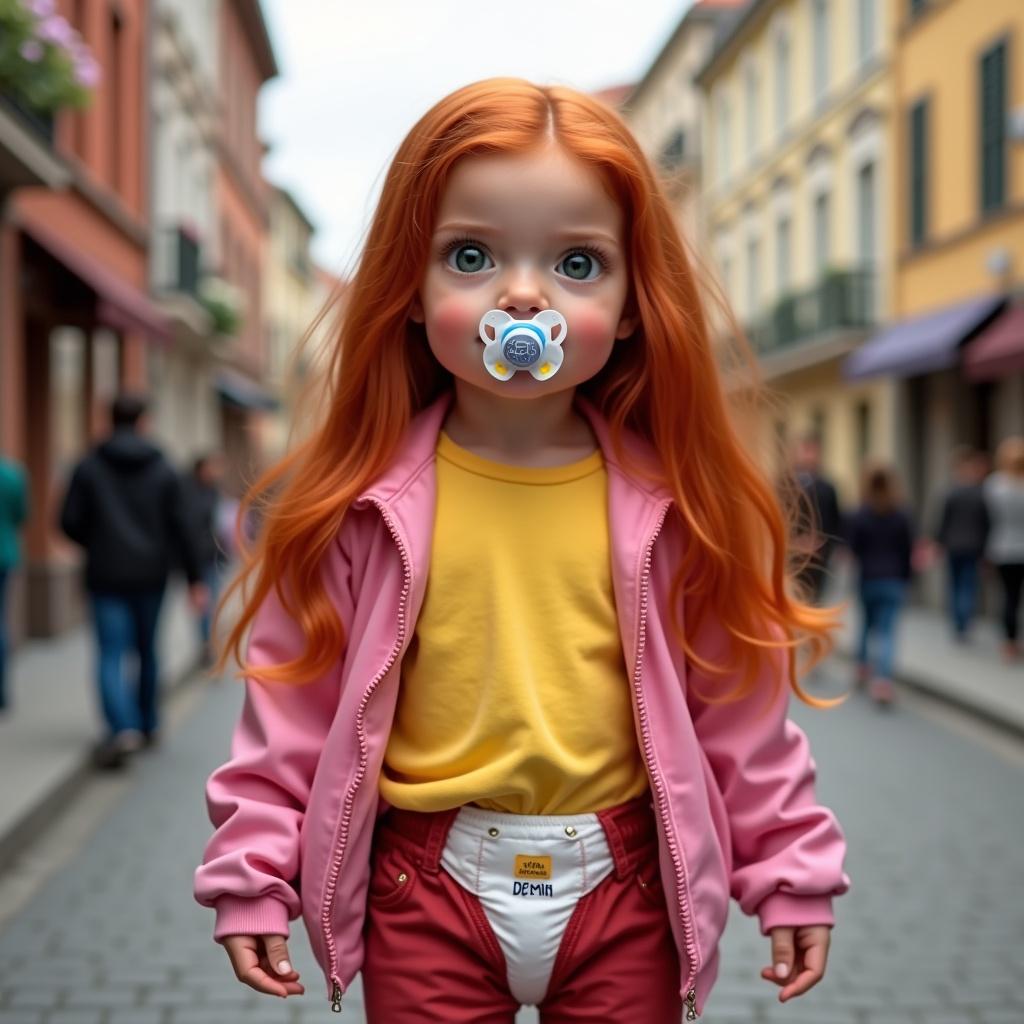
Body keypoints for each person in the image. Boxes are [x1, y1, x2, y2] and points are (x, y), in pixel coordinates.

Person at [193, 79, 849, 1022]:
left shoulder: (677, 508)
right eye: (471, 255)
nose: (525, 296)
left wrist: (790, 867)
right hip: (424, 889)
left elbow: (740, 717)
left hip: (626, 886)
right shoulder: (360, 506)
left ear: (633, 305)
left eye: (579, 263)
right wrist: (253, 867)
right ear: (410, 292)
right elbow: (292, 703)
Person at [60, 393, 206, 767]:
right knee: (147, 650)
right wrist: (194, 578)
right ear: (143, 422)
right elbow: (183, 526)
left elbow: (68, 521)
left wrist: (98, 543)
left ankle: (121, 728)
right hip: (152, 575)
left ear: (110, 421)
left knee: (110, 652)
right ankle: (148, 723)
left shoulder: (89, 466)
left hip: (105, 574)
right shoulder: (163, 468)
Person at [846, 464, 915, 706]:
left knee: (865, 626)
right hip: (894, 579)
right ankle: (883, 681)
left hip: (868, 578)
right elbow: (908, 550)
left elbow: (852, 549)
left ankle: (862, 667)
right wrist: (908, 578)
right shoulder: (901, 514)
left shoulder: (860, 514)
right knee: (887, 632)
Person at [933, 446, 990, 641]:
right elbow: (986, 524)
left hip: (954, 546)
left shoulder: (951, 492)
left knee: (955, 585)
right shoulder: (981, 494)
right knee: (968, 585)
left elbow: (942, 522)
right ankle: (964, 622)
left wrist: (939, 543)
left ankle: (958, 623)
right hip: (973, 546)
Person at [181, 453, 228, 666]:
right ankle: (206, 644)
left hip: (212, 555)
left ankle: (208, 643)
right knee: (204, 603)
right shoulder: (190, 495)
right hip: (197, 557)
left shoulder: (214, 492)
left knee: (211, 601)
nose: (214, 472)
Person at [984, 437, 1024, 662]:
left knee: (1009, 597)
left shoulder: (995, 485)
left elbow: (988, 517)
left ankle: (1009, 642)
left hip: (1003, 547)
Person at [791, 435, 843, 605]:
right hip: (793, 552)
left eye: (812, 451)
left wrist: (823, 543)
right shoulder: (787, 484)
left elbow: (835, 520)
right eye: (805, 450)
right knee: (796, 597)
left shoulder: (828, 487)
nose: (808, 456)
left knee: (816, 600)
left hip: (820, 553)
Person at [0, 455, 29, 713]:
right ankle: (1, 692)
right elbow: (22, 515)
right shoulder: (12, 475)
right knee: (1, 622)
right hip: (4, 555)